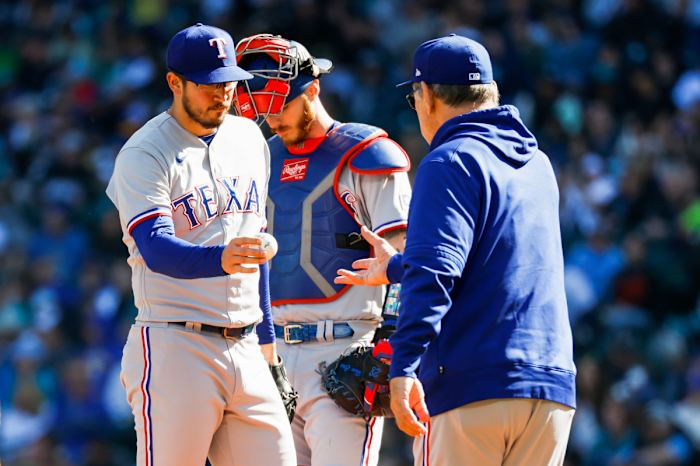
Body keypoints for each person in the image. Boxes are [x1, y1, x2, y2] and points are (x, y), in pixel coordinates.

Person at [335, 34, 577, 466]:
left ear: (426, 95)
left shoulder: (450, 159)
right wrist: (398, 269)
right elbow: (491, 259)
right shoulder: (538, 163)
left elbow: (437, 273)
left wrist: (404, 367)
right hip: (550, 387)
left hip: (471, 385)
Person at [105, 23, 296, 466]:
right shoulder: (144, 152)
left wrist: (268, 351)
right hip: (176, 344)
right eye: (209, 85)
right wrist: (222, 259)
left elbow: (254, 255)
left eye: (229, 81)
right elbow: (155, 247)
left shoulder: (249, 138)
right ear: (174, 83)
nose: (223, 93)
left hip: (247, 344)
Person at [232, 34, 412, 466]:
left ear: (312, 89)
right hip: (270, 356)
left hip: (345, 351)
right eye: (264, 107)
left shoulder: (365, 152)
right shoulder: (257, 159)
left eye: (282, 103)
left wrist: (391, 345)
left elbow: (408, 256)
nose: (272, 117)